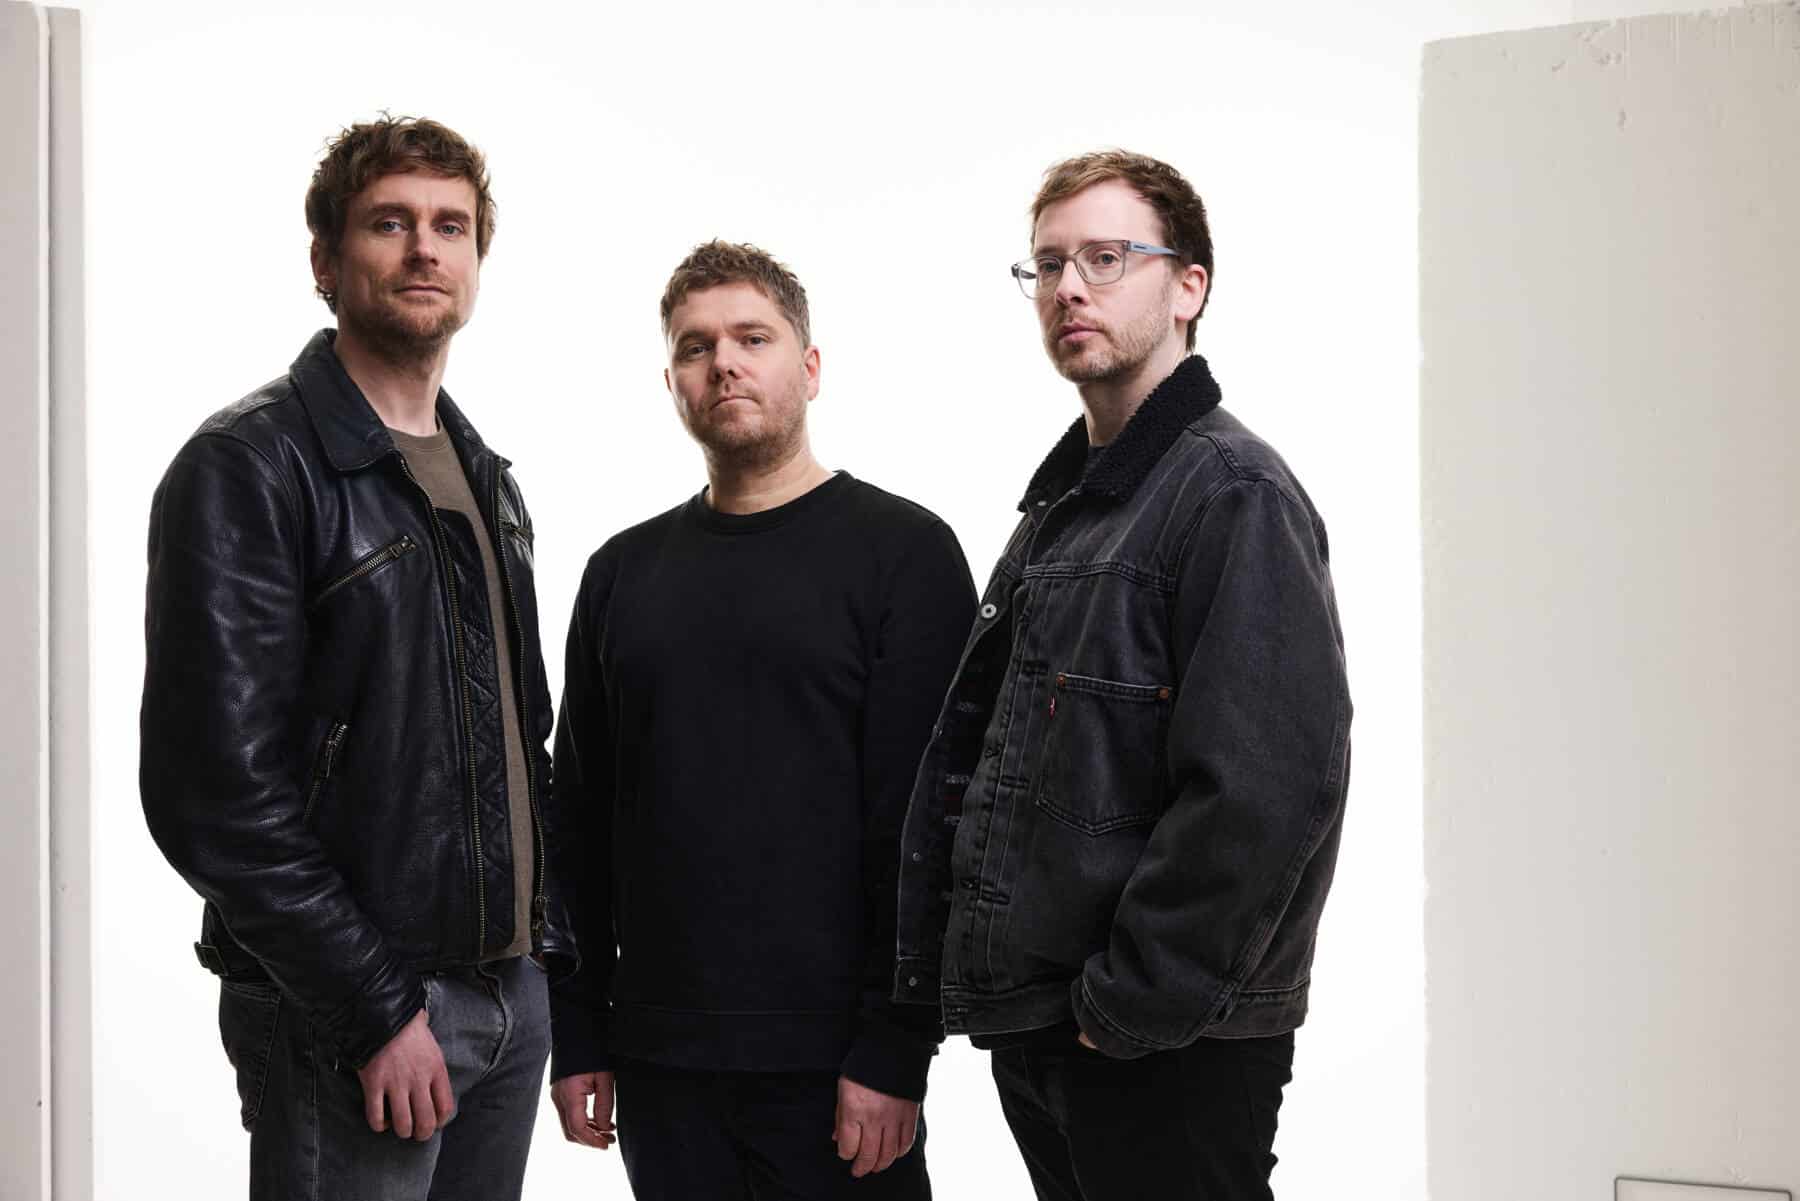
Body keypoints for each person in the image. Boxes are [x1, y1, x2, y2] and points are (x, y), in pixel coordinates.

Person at [892, 150, 1353, 1200]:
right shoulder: (1069, 508)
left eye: (1106, 257)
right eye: (1048, 264)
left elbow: (1266, 788)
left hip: (1162, 1044)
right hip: (1057, 1030)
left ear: (1189, 286)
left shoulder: (1233, 493)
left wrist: (1131, 1004)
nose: (1069, 288)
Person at [139, 115, 567, 1200]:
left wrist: (544, 968)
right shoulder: (250, 465)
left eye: (451, 226)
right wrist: (373, 1006)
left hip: (507, 1002)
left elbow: (523, 742)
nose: (425, 248)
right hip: (358, 1014)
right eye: (389, 223)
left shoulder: (487, 477)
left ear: (476, 263)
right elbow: (213, 795)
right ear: (325, 262)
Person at [546, 240, 973, 1200]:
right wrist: (578, 1028)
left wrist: (897, 1045)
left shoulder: (905, 555)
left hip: (835, 1064)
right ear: (671, 383)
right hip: (660, 1063)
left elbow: (929, 829)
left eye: (752, 338)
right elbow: (579, 818)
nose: (724, 363)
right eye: (695, 347)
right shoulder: (620, 573)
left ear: (810, 367)